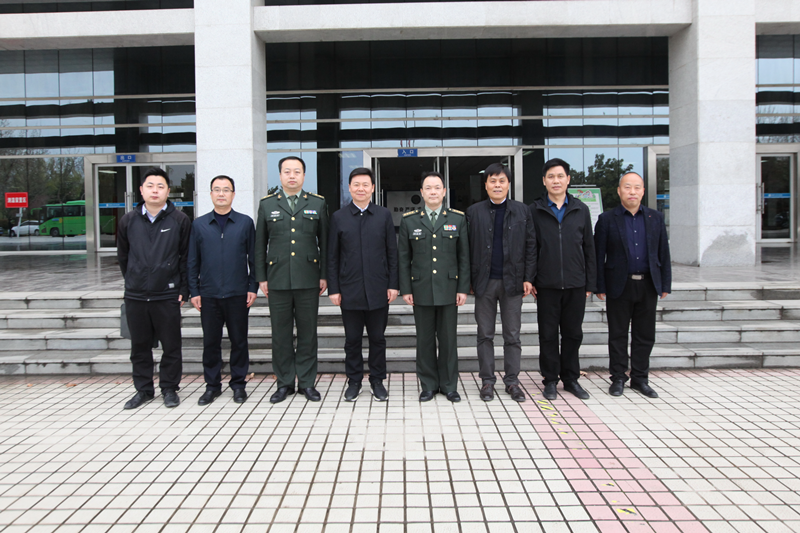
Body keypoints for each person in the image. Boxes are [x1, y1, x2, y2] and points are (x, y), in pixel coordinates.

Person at [255, 156, 329, 403]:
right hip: (277, 279)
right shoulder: (267, 204)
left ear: (304, 176)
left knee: (308, 334)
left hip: (309, 278)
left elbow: (325, 243)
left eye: (297, 171)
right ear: (280, 175)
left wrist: (324, 275)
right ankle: (284, 382)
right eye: (287, 171)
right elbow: (259, 244)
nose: (292, 176)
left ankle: (307, 382)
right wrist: (261, 277)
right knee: (281, 335)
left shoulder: (317, 203)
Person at [117, 167, 191, 409]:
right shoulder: (128, 220)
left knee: (171, 345)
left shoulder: (179, 220)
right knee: (139, 346)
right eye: (150, 186)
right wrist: (133, 280)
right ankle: (143, 390)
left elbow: (185, 257)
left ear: (168, 191)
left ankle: (169, 388)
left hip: (167, 293)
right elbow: (123, 257)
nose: (155, 190)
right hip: (136, 294)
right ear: (141, 190)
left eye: (160, 186)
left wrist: (183, 288)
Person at [595, 172, 671, 398]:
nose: (632, 192)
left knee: (645, 335)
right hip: (619, 284)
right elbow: (599, 255)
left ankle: (640, 378)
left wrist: (665, 283)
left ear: (643, 191)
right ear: (619, 191)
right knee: (618, 334)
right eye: (627, 187)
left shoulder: (655, 218)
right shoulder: (607, 219)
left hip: (648, 285)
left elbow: (663, 253)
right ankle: (618, 377)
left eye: (637, 187)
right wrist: (599, 285)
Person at [466, 163, 536, 402]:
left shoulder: (522, 211)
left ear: (508, 184)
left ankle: (512, 381)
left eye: (502, 181)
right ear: (485, 184)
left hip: (513, 282)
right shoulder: (474, 212)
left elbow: (531, 246)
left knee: (512, 335)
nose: (497, 185)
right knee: (485, 334)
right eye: (493, 181)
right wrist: (468, 281)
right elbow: (466, 249)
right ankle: (487, 381)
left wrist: (528, 278)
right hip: (484, 283)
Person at [327, 168, 399, 402]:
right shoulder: (339, 217)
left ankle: (377, 380)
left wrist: (393, 284)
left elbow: (392, 252)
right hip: (349, 290)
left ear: (373, 188)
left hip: (378, 289)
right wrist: (334, 288)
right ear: (349, 188)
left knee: (378, 338)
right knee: (352, 340)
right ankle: (354, 381)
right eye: (356, 184)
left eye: (365, 184)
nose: (361, 188)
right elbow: (332, 257)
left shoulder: (383, 215)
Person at [398, 171, 470, 403]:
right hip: (421, 289)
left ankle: (449, 385)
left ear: (444, 192)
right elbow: (403, 258)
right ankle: (428, 385)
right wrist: (406, 289)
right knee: (425, 340)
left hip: (449, 288)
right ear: (421, 192)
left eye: (437, 187)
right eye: (428, 188)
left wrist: (463, 288)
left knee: (448, 340)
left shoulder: (457, 219)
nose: (433, 192)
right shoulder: (409, 220)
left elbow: (464, 257)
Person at [529, 158, 596, 401]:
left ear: (568, 179)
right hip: (546, 285)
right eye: (551, 176)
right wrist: (531, 278)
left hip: (576, 283)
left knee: (573, 334)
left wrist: (590, 282)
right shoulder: (534, 210)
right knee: (547, 335)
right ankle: (550, 380)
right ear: (544, 181)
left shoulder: (581, 209)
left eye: (560, 176)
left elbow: (589, 247)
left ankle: (571, 379)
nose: (555, 181)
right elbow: (531, 248)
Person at [188, 175, 257, 406]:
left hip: (238, 294)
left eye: (226, 190)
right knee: (211, 343)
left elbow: (254, 258)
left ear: (233, 194)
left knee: (239, 341)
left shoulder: (245, 223)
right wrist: (194, 291)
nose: (221, 194)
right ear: (210, 194)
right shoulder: (199, 225)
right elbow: (192, 261)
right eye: (216, 189)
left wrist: (252, 287)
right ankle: (212, 386)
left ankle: (238, 385)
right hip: (209, 295)